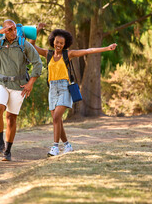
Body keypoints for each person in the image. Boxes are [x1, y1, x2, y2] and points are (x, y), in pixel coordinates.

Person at [29, 25, 117, 156]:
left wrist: (106, 48)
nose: (58, 44)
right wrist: (36, 31)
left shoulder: (68, 54)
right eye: (57, 42)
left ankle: (55, 147)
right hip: (52, 89)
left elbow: (88, 50)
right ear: (53, 41)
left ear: (65, 44)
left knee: (57, 117)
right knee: (56, 120)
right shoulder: (48, 54)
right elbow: (32, 46)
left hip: (64, 88)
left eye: (61, 43)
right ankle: (67, 145)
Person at [0, 19, 43, 161]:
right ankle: (0, 142)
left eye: (14, 29)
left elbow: (38, 63)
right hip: (1, 82)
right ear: (4, 31)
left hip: (19, 85)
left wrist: (30, 83)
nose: (13, 32)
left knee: (11, 118)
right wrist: (0, 33)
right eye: (9, 30)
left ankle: (8, 151)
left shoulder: (23, 44)